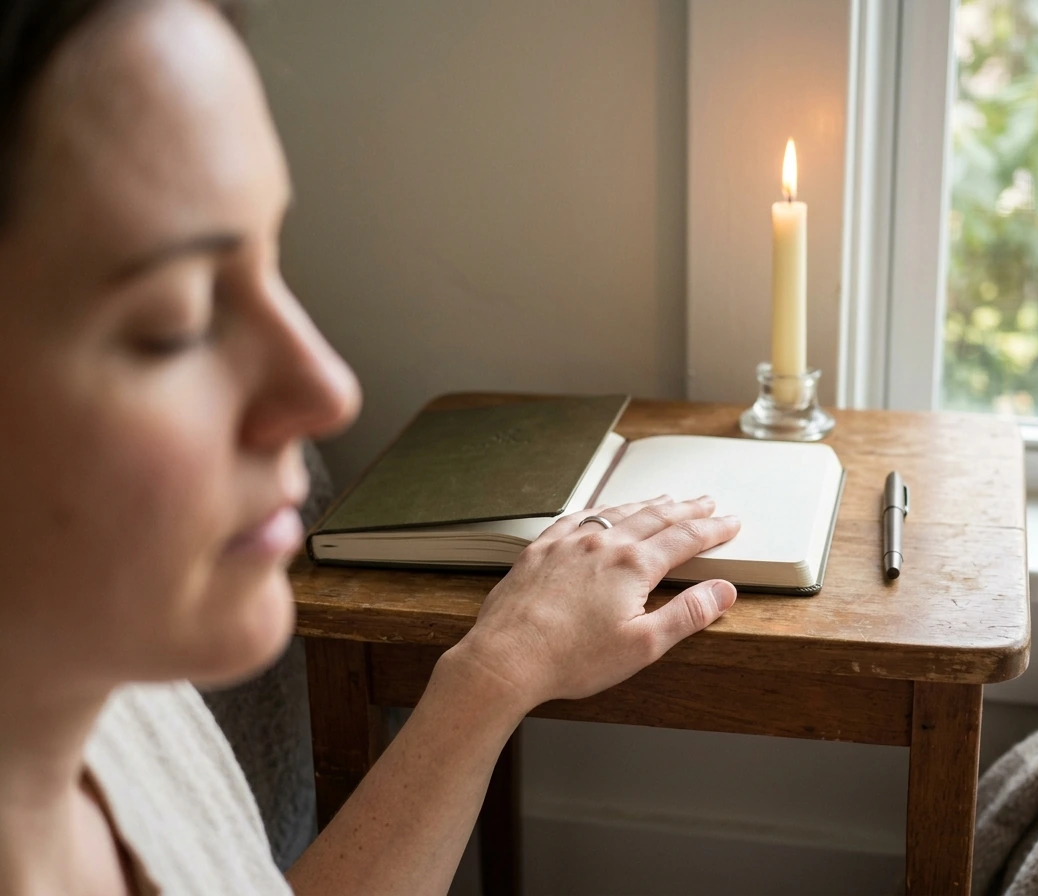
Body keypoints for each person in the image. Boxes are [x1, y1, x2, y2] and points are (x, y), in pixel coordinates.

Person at [0, 1, 742, 893]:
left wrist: (499, 670)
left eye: (276, 262)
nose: (327, 389)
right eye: (178, 319)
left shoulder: (110, 676)